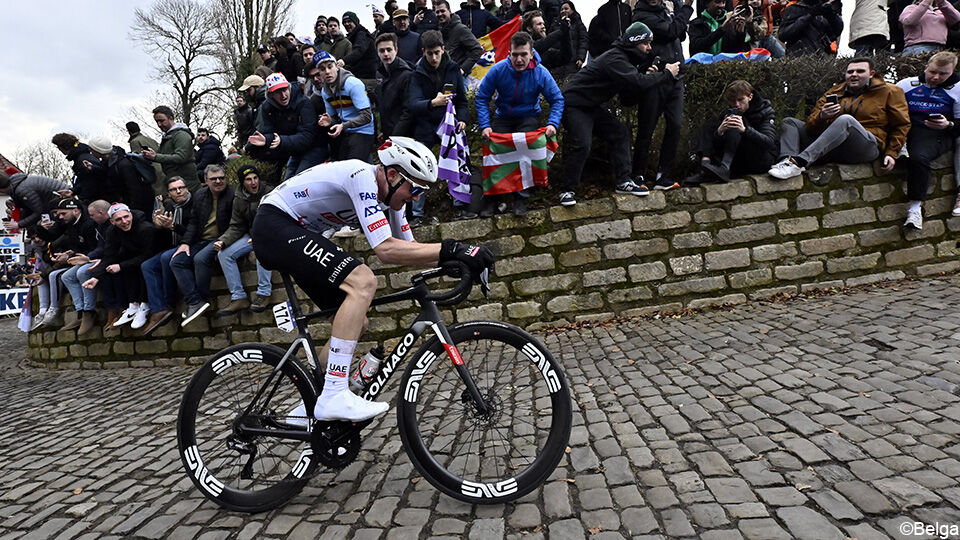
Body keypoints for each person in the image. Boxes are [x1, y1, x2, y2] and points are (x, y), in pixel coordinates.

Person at [250, 136, 495, 423]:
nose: (415, 197)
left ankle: (310, 400)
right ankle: (334, 394)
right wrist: (451, 249)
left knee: (357, 321)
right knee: (363, 281)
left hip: (296, 233)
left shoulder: (392, 200)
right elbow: (385, 250)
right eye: (414, 188)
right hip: (274, 223)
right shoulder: (361, 176)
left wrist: (457, 259)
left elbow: (410, 247)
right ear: (391, 174)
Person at [559, 22, 678, 206]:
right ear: (634, 42)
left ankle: (623, 181)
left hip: (591, 106)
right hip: (574, 105)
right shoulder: (616, 58)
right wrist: (666, 74)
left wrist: (647, 76)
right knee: (583, 144)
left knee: (619, 131)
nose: (649, 48)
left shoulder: (625, 61)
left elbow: (627, 98)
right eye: (646, 43)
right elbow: (638, 82)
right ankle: (567, 190)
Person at [769, 58, 911, 181]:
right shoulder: (835, 91)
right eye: (850, 72)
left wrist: (891, 153)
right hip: (833, 144)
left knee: (845, 120)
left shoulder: (890, 91)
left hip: (866, 146)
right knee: (790, 122)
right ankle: (787, 161)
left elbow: (901, 125)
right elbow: (810, 127)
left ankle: (799, 162)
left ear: (871, 74)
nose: (854, 75)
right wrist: (822, 117)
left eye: (860, 71)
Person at [475, 31, 564, 216]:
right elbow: (482, 97)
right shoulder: (498, 69)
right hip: (503, 117)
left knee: (526, 151)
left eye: (524, 54)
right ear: (509, 53)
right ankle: (492, 200)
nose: (519, 59)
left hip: (528, 116)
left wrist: (553, 124)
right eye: (515, 54)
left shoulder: (541, 72)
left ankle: (520, 199)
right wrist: (485, 126)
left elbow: (557, 99)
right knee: (494, 152)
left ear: (531, 54)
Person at [631, 0, 694, 191]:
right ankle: (637, 175)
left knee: (675, 125)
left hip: (676, 77)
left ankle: (664, 175)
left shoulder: (666, 11)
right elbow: (671, 31)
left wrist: (677, 12)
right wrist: (686, 8)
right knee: (646, 127)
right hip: (656, 78)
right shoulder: (642, 15)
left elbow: (680, 34)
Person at [408, 30, 469, 223]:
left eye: (437, 52)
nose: (434, 58)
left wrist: (463, 119)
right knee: (419, 167)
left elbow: (463, 101)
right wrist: (433, 103)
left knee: (457, 161)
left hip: (450, 125)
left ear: (443, 49)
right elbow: (413, 104)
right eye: (429, 53)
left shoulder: (453, 68)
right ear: (423, 52)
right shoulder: (417, 73)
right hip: (425, 125)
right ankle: (417, 213)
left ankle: (460, 204)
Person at [897, 52, 960, 228]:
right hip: (907, 128)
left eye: (943, 74)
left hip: (937, 133)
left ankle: (915, 210)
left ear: (952, 72)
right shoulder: (906, 84)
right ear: (926, 67)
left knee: (918, 157)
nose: (935, 77)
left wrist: (949, 124)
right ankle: (899, 148)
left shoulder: (958, 89)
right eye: (932, 72)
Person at [168, 165, 234, 327]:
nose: (218, 181)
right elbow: (194, 222)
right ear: (206, 181)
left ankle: (201, 299)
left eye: (221, 178)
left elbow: (236, 223)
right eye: (213, 179)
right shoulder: (200, 195)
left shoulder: (233, 194)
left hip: (221, 238)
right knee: (176, 261)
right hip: (200, 240)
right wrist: (185, 243)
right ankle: (195, 301)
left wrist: (224, 240)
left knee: (200, 259)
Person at [81, 204, 159, 330]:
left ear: (131, 215)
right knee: (118, 267)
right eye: (118, 219)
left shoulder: (145, 228)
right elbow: (109, 255)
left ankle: (144, 305)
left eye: (126, 217)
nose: (124, 222)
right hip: (133, 256)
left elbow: (148, 254)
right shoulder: (112, 231)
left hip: (152, 255)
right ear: (112, 221)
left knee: (140, 266)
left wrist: (121, 266)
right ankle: (132, 305)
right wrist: (96, 277)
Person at [689, 80, 778, 185]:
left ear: (750, 97)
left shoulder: (765, 111)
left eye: (741, 100)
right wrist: (719, 132)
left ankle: (724, 167)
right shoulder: (729, 112)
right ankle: (705, 167)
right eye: (733, 101)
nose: (736, 104)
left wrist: (745, 130)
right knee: (710, 126)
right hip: (739, 161)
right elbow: (721, 144)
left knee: (735, 120)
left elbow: (769, 143)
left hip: (760, 160)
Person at [214, 165, 274, 315]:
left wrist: (260, 236)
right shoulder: (239, 198)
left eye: (255, 178)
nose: (253, 182)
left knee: (260, 248)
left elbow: (277, 219)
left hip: (270, 234)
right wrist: (223, 241)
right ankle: (239, 297)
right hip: (250, 235)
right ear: (243, 183)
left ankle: (264, 294)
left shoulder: (270, 192)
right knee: (224, 254)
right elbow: (236, 225)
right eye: (248, 179)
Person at [35, 198, 99, 331]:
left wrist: (71, 255)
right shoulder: (68, 224)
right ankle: (80, 311)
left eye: (63, 213)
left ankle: (89, 311)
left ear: (75, 211)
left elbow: (95, 248)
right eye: (58, 214)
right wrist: (40, 228)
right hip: (80, 258)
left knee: (81, 273)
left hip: (95, 259)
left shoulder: (88, 224)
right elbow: (52, 237)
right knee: (66, 277)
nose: (59, 217)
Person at [141, 176, 195, 335]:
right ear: (169, 193)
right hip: (175, 245)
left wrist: (173, 227)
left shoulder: (194, 205)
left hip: (193, 244)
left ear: (187, 188)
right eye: (173, 189)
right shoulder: (170, 206)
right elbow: (164, 237)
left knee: (167, 258)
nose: (179, 191)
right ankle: (158, 309)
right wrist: (159, 226)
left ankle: (168, 302)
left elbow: (193, 232)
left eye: (181, 187)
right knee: (147, 265)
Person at [247, 73, 325, 179]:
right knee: (287, 183)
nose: (283, 95)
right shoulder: (266, 108)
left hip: (314, 147)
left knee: (300, 180)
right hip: (293, 151)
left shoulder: (304, 103)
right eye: (278, 92)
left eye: (285, 90)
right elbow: (269, 132)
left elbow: (307, 136)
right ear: (270, 94)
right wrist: (266, 140)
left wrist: (282, 141)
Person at [314, 51, 377, 162]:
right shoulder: (325, 91)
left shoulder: (352, 84)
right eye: (323, 69)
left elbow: (367, 116)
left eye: (330, 67)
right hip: (345, 131)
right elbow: (334, 118)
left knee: (352, 165)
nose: (327, 72)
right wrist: (330, 121)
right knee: (340, 164)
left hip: (363, 130)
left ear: (337, 67)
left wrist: (343, 126)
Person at [87, 135, 156, 216]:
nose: (90, 152)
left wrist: (132, 212)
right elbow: (106, 172)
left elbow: (135, 189)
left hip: (139, 206)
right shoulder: (109, 161)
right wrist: (93, 168)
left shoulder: (123, 164)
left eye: (92, 149)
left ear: (99, 151)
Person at [142, 106, 200, 192]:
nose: (159, 124)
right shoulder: (169, 136)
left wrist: (155, 157)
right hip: (177, 182)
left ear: (171, 118)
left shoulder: (181, 135)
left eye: (161, 121)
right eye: (157, 121)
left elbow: (181, 157)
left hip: (187, 184)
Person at [375, 33, 416, 139]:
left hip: (404, 135)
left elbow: (408, 111)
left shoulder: (406, 74)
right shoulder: (379, 73)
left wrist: (395, 136)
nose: (386, 54)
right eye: (382, 51)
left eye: (389, 50)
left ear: (396, 50)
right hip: (388, 132)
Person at [0, 170, 70, 231]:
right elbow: (28, 208)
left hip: (63, 200)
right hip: (54, 203)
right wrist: (17, 221)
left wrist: (18, 225)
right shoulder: (15, 187)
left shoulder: (22, 190)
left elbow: (38, 211)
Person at [51, 133, 108, 205]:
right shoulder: (81, 157)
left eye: (58, 146)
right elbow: (84, 181)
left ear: (63, 147)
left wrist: (80, 198)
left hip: (94, 203)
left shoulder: (83, 160)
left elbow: (91, 182)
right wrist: (73, 191)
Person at [777, 0, 843, 56]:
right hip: (799, 58)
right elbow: (783, 35)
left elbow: (837, 31)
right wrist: (810, 15)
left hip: (821, 58)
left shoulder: (823, 11)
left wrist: (831, 15)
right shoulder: (794, 9)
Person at [436, 0, 484, 76]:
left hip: (460, 78)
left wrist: (463, 69)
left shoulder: (461, 29)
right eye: (437, 12)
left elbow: (478, 49)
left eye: (442, 11)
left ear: (450, 11)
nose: (440, 14)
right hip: (444, 76)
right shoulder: (439, 32)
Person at [126, 121, 164, 194]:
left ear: (128, 131)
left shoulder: (134, 141)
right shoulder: (150, 139)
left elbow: (138, 160)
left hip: (152, 171)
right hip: (162, 169)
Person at [341, 11, 380, 81]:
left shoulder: (362, 34)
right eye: (344, 22)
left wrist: (344, 61)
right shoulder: (350, 38)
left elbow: (359, 50)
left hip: (368, 78)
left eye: (349, 21)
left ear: (355, 22)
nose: (346, 24)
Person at [554, 1, 588, 78]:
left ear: (572, 10)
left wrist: (581, 58)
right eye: (562, 9)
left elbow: (583, 41)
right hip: (558, 63)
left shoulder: (579, 25)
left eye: (566, 8)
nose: (563, 11)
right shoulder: (555, 24)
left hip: (574, 62)